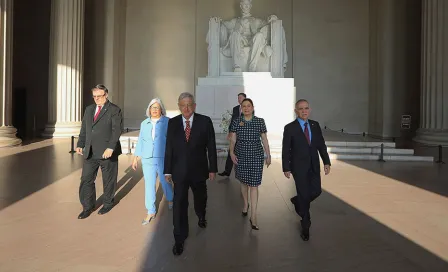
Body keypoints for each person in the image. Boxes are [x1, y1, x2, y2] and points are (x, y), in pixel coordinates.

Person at [164, 92, 218, 256]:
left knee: (200, 198)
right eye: (183, 105)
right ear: (179, 106)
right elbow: (169, 148)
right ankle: (179, 238)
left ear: (194, 106)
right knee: (179, 204)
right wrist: (167, 170)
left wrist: (212, 168)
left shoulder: (205, 121)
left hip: (199, 171)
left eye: (189, 105)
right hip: (179, 172)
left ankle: (201, 215)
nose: (186, 108)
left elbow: (211, 146)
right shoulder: (172, 123)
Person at [281, 99, 331, 241]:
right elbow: (286, 149)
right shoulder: (290, 128)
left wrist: (326, 162)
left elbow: (321, 145)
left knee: (316, 191)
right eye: (301, 109)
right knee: (304, 194)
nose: (304, 111)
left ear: (310, 109)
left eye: (306, 108)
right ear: (296, 111)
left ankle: (297, 201)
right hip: (299, 167)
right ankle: (305, 226)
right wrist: (286, 167)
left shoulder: (315, 125)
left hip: (314, 165)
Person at [76, 84, 123, 219]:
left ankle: (107, 203)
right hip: (90, 151)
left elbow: (116, 130)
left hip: (107, 152)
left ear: (106, 95)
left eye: (99, 96)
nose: (97, 99)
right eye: (94, 97)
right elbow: (84, 128)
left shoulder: (114, 110)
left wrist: (110, 147)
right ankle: (87, 206)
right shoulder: (89, 109)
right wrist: (80, 143)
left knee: (108, 180)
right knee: (86, 179)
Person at [229, 98, 271, 230]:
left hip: (256, 156)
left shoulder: (260, 121)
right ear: (241, 108)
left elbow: (264, 138)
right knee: (243, 183)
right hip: (241, 156)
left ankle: (254, 215)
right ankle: (245, 204)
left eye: (248, 106)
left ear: (253, 107)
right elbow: (233, 139)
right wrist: (231, 153)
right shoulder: (237, 121)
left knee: (254, 185)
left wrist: (268, 154)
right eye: (244, 106)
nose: (246, 108)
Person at [132, 98, 173, 225]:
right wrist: (135, 157)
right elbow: (141, 141)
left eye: (157, 107)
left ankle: (171, 199)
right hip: (147, 158)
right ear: (149, 109)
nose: (154, 110)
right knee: (149, 185)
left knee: (165, 181)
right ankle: (150, 211)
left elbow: (172, 141)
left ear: (161, 109)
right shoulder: (144, 123)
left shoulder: (168, 122)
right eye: (152, 107)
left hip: (162, 157)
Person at [219, 92, 246, 177]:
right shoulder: (235, 108)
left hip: (244, 135)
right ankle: (227, 171)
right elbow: (232, 121)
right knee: (231, 152)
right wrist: (230, 132)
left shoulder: (248, 108)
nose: (239, 99)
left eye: (241, 98)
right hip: (234, 134)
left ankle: (243, 172)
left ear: (245, 98)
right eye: (238, 98)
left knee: (242, 154)